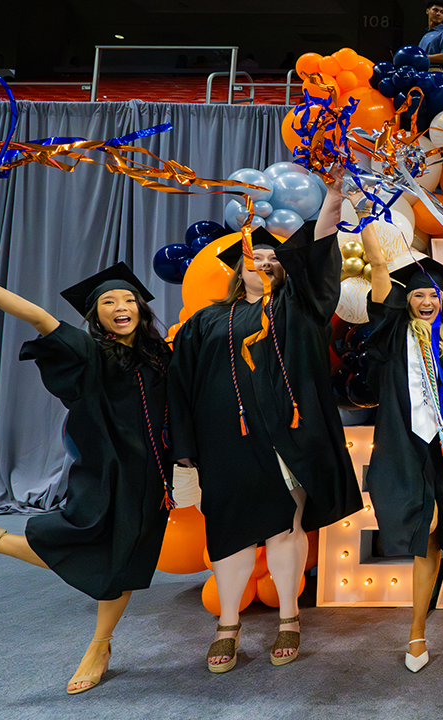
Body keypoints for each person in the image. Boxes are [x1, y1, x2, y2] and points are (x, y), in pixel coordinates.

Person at [0, 256, 172, 695]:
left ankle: (100, 645)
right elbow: (35, 314)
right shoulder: (89, 352)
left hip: (150, 480)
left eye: (129, 299)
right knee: (85, 548)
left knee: (124, 564)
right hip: (104, 473)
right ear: (95, 314)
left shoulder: (160, 355)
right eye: (109, 301)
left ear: (141, 309)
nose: (121, 306)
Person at [168, 172, 362, 674]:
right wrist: (184, 450)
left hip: (286, 441)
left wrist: (334, 200)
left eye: (277, 261)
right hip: (225, 444)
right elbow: (180, 389)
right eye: (259, 260)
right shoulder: (204, 324)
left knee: (285, 526)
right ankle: (228, 625)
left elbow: (318, 257)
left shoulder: (301, 309)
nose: (269, 264)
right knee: (229, 531)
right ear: (240, 271)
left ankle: (289, 618)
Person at [359, 217, 443, 674]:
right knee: (424, 526)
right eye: (417, 293)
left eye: (433, 293)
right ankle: (417, 628)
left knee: (433, 542)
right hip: (404, 450)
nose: (425, 300)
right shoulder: (395, 337)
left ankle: (417, 628)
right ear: (407, 300)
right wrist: (365, 226)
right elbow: (378, 273)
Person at [420, 1, 443, 71]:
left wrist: (423, 57)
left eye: (442, 12)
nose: (438, 14)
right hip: (420, 71)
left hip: (435, 71)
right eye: (435, 10)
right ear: (427, 11)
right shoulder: (426, 35)